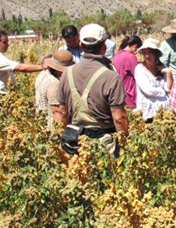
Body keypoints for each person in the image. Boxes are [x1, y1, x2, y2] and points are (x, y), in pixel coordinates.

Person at [56, 23, 128, 155]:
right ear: (104, 47)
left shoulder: (67, 73)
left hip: (77, 143)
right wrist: (125, 146)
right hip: (105, 143)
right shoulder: (111, 77)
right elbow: (119, 118)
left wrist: (68, 133)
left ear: (81, 46)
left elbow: (63, 112)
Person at [0, 29, 44, 94]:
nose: (8, 45)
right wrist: (43, 67)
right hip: (0, 97)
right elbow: (20, 67)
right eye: (5, 42)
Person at [134, 38, 173, 121]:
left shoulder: (162, 67)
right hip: (148, 113)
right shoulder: (139, 69)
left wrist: (169, 72)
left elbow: (169, 88)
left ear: (156, 54)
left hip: (164, 112)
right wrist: (164, 92)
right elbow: (148, 90)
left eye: (150, 53)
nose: (147, 56)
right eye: (144, 53)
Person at [35, 50, 74, 131]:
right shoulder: (54, 83)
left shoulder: (42, 74)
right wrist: (63, 132)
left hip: (41, 124)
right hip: (51, 127)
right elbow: (57, 111)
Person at [112, 35, 143, 109]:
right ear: (135, 46)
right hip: (131, 95)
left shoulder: (116, 56)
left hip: (120, 94)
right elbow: (139, 75)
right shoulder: (130, 57)